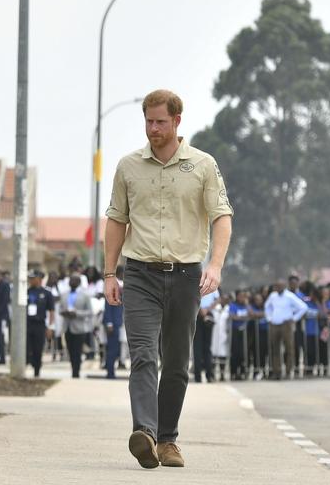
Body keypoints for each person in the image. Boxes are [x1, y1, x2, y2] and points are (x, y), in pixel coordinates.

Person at [104, 89, 233, 469]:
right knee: (143, 355)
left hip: (186, 276)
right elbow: (116, 220)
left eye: (161, 121)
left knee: (176, 362)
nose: (153, 128)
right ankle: (143, 432)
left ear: (178, 121)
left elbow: (221, 216)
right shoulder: (128, 166)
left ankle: (167, 440)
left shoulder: (203, 165)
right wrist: (110, 273)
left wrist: (216, 265)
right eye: (149, 121)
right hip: (140, 273)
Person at [265, 281, 308, 380]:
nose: (278, 288)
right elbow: (267, 306)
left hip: (286, 324)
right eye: (276, 286)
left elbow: (303, 307)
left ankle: (289, 371)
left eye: (280, 286)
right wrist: (269, 318)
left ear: (284, 286)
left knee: (289, 349)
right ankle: (277, 372)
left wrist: (294, 318)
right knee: (275, 349)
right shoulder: (273, 296)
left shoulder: (290, 296)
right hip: (275, 324)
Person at [60, 273, 93, 378]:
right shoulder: (64, 294)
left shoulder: (85, 295)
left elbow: (90, 312)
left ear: (78, 282)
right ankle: (73, 368)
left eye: (74, 280)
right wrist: (64, 312)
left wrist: (77, 313)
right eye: (70, 280)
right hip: (67, 326)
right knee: (70, 350)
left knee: (77, 351)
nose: (71, 282)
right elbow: (60, 308)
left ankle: (76, 372)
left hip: (79, 328)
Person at [25, 269, 56, 377]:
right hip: (28, 323)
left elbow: (51, 311)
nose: (31, 280)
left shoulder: (46, 293)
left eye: (33, 278)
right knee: (27, 348)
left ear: (39, 279)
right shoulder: (26, 292)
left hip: (39, 324)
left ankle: (37, 371)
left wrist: (51, 327)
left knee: (38, 349)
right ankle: (28, 364)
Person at [192, 288, 219, 383]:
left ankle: (209, 374)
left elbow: (217, 299)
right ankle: (198, 376)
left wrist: (207, 309)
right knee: (197, 347)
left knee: (207, 347)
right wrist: (200, 309)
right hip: (196, 314)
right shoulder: (194, 279)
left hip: (208, 315)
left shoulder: (210, 279)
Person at [103, 266, 125, 378]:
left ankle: (112, 369)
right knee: (112, 349)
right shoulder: (114, 286)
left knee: (118, 349)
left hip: (121, 323)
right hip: (113, 324)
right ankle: (110, 373)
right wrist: (109, 323)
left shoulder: (123, 286)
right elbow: (108, 306)